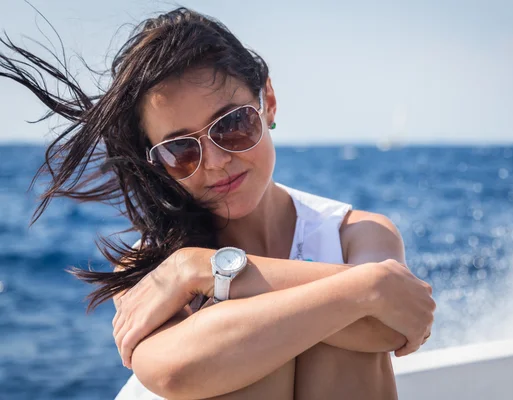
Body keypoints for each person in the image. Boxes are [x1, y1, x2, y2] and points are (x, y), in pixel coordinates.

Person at [0, 7, 435, 399]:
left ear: (267, 103)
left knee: (331, 335)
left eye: (231, 125)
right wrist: (367, 287)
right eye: (180, 150)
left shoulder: (355, 232)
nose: (216, 162)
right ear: (158, 163)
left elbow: (393, 325)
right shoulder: (151, 263)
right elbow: (173, 372)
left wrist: (201, 271)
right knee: (264, 341)